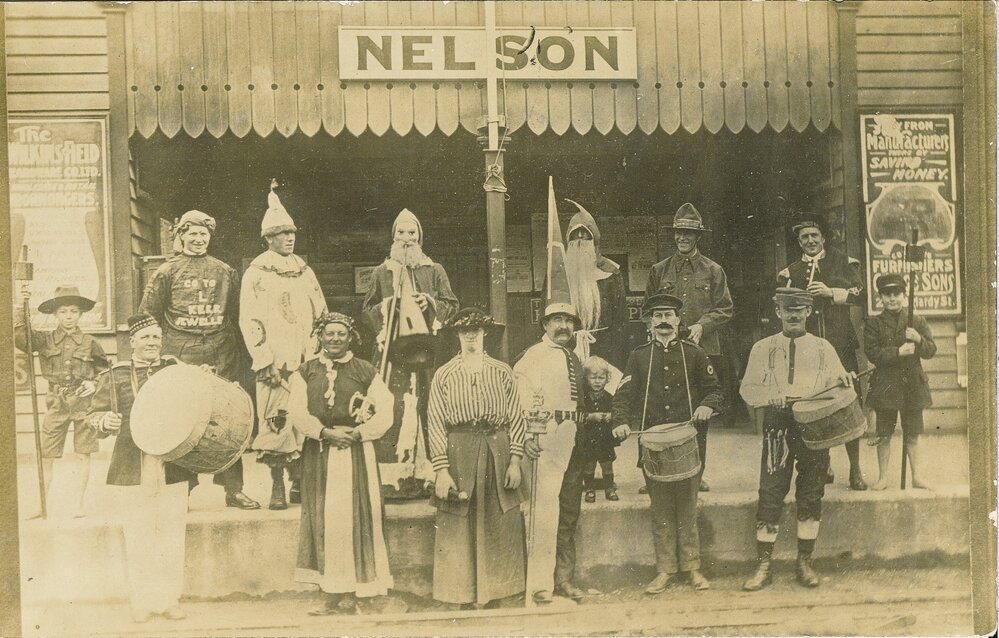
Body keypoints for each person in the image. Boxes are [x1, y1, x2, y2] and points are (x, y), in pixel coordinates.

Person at [139, 210, 260, 509]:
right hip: (181, 355)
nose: (197, 239)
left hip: (221, 353)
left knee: (228, 418)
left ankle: (233, 489)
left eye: (203, 234)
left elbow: (237, 316)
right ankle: (182, 490)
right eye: (191, 234)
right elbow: (148, 315)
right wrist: (160, 354)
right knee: (182, 422)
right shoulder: (166, 272)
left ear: (210, 237)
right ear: (181, 236)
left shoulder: (225, 271)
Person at [740, 288, 856, 591]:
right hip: (778, 423)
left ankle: (805, 560)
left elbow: (838, 385)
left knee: (811, 490)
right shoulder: (762, 348)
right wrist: (769, 396)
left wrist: (843, 380)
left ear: (809, 312)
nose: (793, 314)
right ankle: (764, 564)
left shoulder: (823, 348)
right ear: (778, 312)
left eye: (799, 309)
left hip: (815, 424)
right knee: (771, 489)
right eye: (787, 309)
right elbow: (747, 389)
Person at [86, 314, 198, 622]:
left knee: (172, 532)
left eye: (156, 338)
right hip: (132, 462)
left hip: (173, 462)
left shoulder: (175, 371)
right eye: (146, 338)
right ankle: (143, 600)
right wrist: (103, 421)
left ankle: (169, 599)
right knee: (138, 533)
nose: (152, 343)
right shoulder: (116, 374)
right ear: (132, 342)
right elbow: (95, 414)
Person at [611, 293, 723, 593]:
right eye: (657, 315)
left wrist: (707, 406)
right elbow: (622, 396)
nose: (663, 321)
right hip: (653, 445)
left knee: (687, 507)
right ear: (649, 322)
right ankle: (665, 570)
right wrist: (620, 421)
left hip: (688, 441)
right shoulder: (638, 356)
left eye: (668, 315)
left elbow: (715, 390)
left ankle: (693, 568)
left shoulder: (695, 353)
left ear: (678, 320)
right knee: (660, 510)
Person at [287, 312, 395, 615]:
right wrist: (324, 432)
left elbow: (385, 411)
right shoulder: (305, 371)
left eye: (341, 334)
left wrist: (359, 433)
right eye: (329, 333)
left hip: (357, 454)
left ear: (351, 337)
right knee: (327, 521)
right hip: (320, 454)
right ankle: (332, 593)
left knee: (360, 518)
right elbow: (296, 410)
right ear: (320, 336)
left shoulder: (365, 370)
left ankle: (364, 592)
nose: (335, 339)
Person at [427, 308, 528, 608]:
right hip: (459, 450)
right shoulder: (443, 374)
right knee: (458, 520)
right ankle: (458, 593)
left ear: (485, 334)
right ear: (457, 335)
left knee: (500, 519)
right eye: (464, 330)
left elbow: (516, 417)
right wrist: (441, 470)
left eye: (477, 330)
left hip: (497, 447)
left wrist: (515, 460)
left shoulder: (502, 371)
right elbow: (434, 421)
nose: (471, 335)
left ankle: (499, 591)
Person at [240, 182, 327, 510]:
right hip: (275, 362)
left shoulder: (305, 271)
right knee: (277, 419)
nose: (289, 238)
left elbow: (321, 312)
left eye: (292, 233)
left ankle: (298, 484)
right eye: (282, 234)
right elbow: (249, 319)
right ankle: (276, 484)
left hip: (306, 359)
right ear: (268, 239)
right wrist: (264, 360)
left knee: (306, 419)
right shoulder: (257, 273)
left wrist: (318, 355)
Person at [363, 208, 459, 499]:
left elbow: (451, 305)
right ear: (393, 237)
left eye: (412, 233)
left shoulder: (435, 270)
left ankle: (429, 476)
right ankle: (395, 479)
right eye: (401, 233)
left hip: (427, 355)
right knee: (394, 407)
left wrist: (429, 302)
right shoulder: (381, 272)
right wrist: (386, 307)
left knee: (429, 408)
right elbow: (367, 308)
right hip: (393, 356)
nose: (406, 239)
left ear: (420, 237)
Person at [645, 203, 733, 493]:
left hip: (702, 350)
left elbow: (725, 308)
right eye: (678, 233)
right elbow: (649, 310)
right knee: (660, 409)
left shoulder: (713, 270)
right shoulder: (660, 270)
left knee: (699, 412)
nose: (682, 237)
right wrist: (657, 333)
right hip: (665, 348)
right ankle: (654, 471)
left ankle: (697, 471)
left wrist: (702, 325)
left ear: (698, 237)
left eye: (688, 233)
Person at [776, 215, 867, 491]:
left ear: (823, 238)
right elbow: (781, 302)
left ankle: (855, 469)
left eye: (814, 235)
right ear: (799, 241)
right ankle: (824, 465)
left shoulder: (843, 261)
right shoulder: (790, 272)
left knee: (849, 400)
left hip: (841, 345)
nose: (810, 240)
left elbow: (860, 293)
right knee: (814, 401)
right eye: (805, 237)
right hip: (809, 348)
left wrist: (831, 292)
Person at [513, 293, 584, 604]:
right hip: (544, 435)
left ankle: (562, 579)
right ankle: (539, 586)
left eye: (568, 321)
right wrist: (527, 435)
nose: (564, 326)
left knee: (566, 510)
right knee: (542, 511)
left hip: (571, 436)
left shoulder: (573, 356)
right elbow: (520, 398)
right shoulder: (533, 356)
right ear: (545, 324)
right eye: (558, 320)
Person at [15, 285, 107, 517]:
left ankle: (79, 504)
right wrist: (20, 304)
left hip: (84, 404)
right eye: (63, 311)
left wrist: (94, 384)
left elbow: (105, 372)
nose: (68, 316)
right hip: (56, 402)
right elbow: (20, 337)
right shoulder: (45, 340)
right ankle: (41, 504)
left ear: (80, 314)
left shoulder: (90, 342)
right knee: (46, 453)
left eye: (73, 311)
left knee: (82, 453)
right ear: (55, 314)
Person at [864, 273, 937, 491]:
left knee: (912, 433)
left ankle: (917, 476)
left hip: (912, 385)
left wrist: (918, 339)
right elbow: (872, 353)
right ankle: (883, 477)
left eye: (897, 293)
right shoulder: (874, 323)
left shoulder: (916, 320)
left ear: (904, 295)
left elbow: (931, 350)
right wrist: (898, 351)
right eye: (887, 294)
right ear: (881, 297)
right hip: (886, 386)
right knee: (884, 434)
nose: (892, 298)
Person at [563, 200, 627, 370]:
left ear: (595, 240)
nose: (580, 239)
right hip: (566, 347)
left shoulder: (610, 273)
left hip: (604, 348)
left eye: (586, 235)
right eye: (575, 236)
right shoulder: (558, 274)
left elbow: (619, 321)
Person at [578, 356, 619, 503]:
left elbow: (618, 412)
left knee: (607, 465)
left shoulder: (610, 397)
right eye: (593, 378)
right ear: (586, 379)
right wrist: (590, 416)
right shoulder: (583, 398)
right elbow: (578, 414)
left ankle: (609, 488)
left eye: (601, 378)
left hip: (605, 438)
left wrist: (610, 416)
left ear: (607, 378)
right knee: (589, 465)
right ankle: (589, 489)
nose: (597, 381)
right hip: (588, 438)